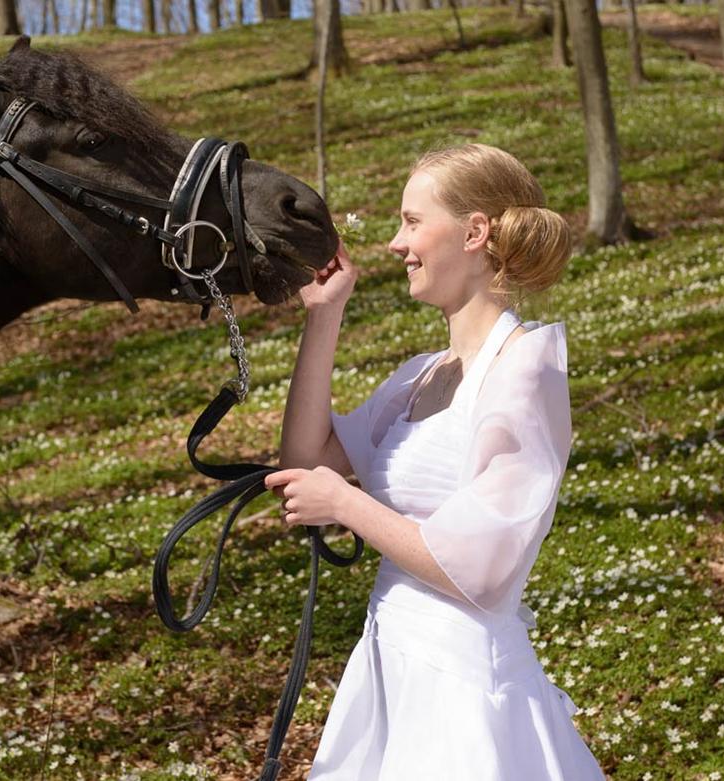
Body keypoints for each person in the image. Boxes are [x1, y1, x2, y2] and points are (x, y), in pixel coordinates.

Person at [262, 144, 607, 779]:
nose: (397, 243)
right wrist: (325, 316)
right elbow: (306, 456)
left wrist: (344, 503)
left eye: (413, 221)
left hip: (466, 688)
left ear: (474, 232)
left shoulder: (523, 372)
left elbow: (482, 572)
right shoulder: (419, 377)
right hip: (390, 665)